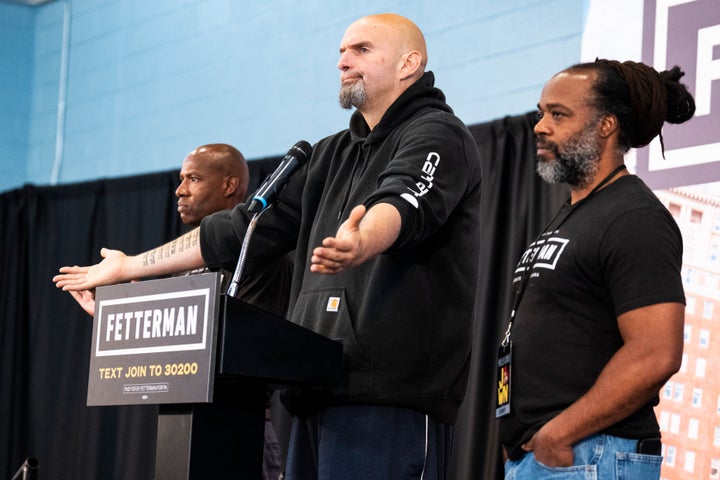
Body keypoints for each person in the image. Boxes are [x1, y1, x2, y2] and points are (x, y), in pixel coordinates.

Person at [54, 13, 483, 480]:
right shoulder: (328, 153)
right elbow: (242, 229)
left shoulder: (438, 133)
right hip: (316, 392)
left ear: (409, 63)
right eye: (341, 51)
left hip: (389, 401)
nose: (342, 62)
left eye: (360, 50)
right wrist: (132, 267)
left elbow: (403, 199)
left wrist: (364, 239)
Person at [498, 59, 695, 479]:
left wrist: (559, 434)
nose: (540, 126)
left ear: (605, 126)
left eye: (559, 114)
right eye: (540, 113)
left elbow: (656, 353)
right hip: (547, 457)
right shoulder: (573, 212)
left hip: (590, 453)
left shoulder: (633, 217)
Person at [66, 143, 288, 480]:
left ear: (229, 185)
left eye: (193, 179)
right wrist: (118, 316)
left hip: (239, 426)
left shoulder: (258, 252)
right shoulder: (184, 266)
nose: (179, 190)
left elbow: (237, 341)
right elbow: (175, 339)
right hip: (183, 429)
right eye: (181, 179)